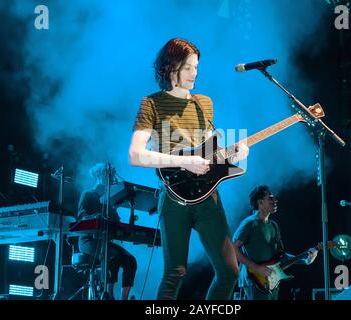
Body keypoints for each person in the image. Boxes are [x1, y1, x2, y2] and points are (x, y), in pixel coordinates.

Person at [128, 38, 249, 300]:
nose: (195, 73)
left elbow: (208, 149)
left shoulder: (203, 103)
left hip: (208, 197)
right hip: (173, 196)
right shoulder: (151, 103)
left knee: (230, 271)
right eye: (188, 68)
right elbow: (136, 155)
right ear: (171, 69)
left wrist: (234, 154)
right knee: (175, 272)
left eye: (196, 67)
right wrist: (184, 161)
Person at [232, 185, 318, 300]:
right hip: (253, 281)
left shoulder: (274, 226)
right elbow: (233, 248)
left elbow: (280, 256)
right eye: (271, 198)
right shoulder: (250, 224)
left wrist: (305, 260)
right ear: (260, 202)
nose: (275, 200)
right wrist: (256, 267)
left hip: (271, 281)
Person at [77, 163, 137, 300]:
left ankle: (124, 298)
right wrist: (95, 217)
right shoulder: (87, 194)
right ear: (99, 176)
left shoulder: (108, 200)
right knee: (112, 255)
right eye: (108, 176)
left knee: (131, 260)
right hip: (88, 240)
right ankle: (109, 295)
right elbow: (81, 216)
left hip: (104, 241)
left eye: (111, 177)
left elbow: (117, 224)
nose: (110, 180)